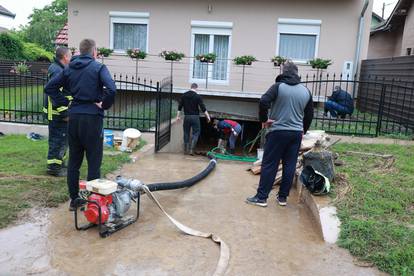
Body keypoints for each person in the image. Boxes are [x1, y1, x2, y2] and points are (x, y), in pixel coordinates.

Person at [45, 39, 116, 210]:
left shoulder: (69, 68)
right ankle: (93, 203)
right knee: (93, 161)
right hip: (92, 118)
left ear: (80, 51)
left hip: (74, 117)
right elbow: (112, 89)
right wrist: (104, 104)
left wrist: (66, 103)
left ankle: (74, 199)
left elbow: (50, 87)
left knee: (74, 161)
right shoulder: (98, 67)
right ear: (94, 52)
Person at [246, 62, 313, 207]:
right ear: (297, 73)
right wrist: (303, 131)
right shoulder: (306, 91)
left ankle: (262, 198)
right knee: (289, 166)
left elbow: (264, 101)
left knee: (270, 164)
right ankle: (282, 198)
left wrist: (264, 120)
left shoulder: (278, 87)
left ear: (284, 72)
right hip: (295, 134)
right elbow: (309, 115)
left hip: (277, 132)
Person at [43, 47, 72, 176]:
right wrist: (64, 113)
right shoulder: (57, 70)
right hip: (56, 114)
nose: (71, 59)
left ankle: (59, 163)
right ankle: (54, 168)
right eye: (70, 56)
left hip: (57, 112)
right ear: (65, 57)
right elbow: (55, 95)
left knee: (63, 139)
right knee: (57, 140)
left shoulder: (58, 68)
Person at [176, 83, 211, 155]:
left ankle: (185, 150)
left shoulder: (184, 95)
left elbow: (180, 107)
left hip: (187, 117)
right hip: (195, 117)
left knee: (186, 132)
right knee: (196, 133)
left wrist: (177, 116)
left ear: (191, 87)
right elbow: (203, 107)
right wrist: (208, 116)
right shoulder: (197, 96)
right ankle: (191, 150)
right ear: (196, 88)